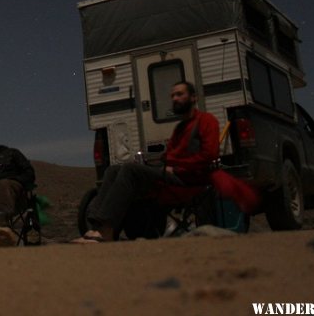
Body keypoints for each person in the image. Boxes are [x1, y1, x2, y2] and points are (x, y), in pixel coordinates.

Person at [74, 81, 220, 243]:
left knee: (130, 170)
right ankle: (95, 228)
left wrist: (178, 166)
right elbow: (169, 156)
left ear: (193, 97)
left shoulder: (207, 121)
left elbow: (209, 154)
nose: (175, 98)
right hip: (170, 175)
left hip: (189, 179)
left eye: (180, 94)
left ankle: (107, 230)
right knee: (113, 170)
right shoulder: (180, 128)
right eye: (173, 96)